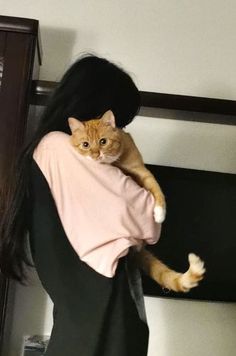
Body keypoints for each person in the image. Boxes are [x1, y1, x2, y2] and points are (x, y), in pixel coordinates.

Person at [0, 55, 160, 356]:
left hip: (91, 311)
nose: (120, 136)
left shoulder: (49, 149)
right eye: (117, 123)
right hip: (97, 313)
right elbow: (148, 217)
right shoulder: (59, 147)